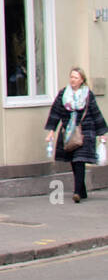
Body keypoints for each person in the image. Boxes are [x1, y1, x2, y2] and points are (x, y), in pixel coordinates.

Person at [44, 67, 104, 203]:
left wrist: (102, 133)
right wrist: (51, 131)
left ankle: (77, 192)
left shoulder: (88, 95)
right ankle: (82, 190)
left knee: (79, 160)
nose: (73, 80)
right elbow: (55, 112)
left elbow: (96, 113)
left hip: (86, 131)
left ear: (82, 80)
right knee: (73, 160)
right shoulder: (63, 94)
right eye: (71, 77)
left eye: (76, 77)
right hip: (69, 132)